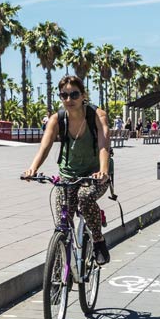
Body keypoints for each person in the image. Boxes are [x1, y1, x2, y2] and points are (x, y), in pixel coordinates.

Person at [21, 76, 112, 264]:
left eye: (74, 95)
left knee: (85, 197)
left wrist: (103, 171)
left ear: (83, 95)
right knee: (63, 221)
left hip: (95, 174)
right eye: (64, 95)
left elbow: (104, 144)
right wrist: (33, 169)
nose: (69, 100)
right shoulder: (57, 119)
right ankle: (62, 262)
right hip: (68, 174)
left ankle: (98, 240)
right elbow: (44, 147)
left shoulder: (97, 115)